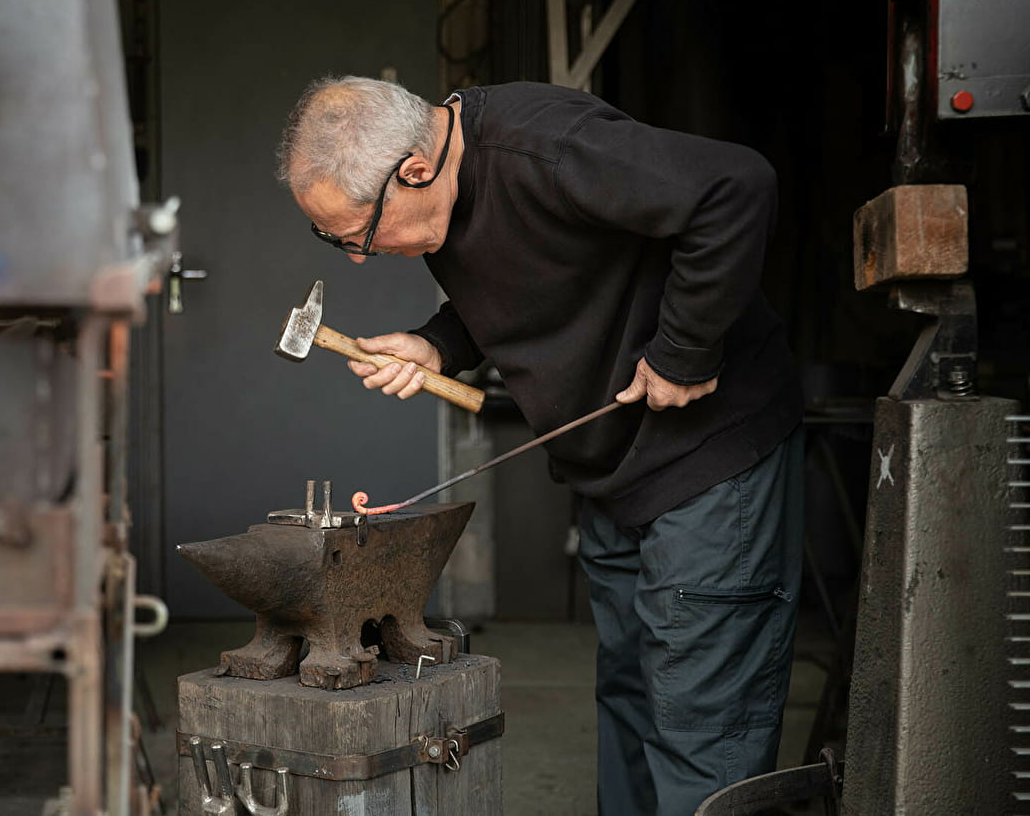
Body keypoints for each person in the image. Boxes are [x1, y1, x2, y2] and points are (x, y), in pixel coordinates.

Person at [276, 77, 804, 816]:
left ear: (415, 171)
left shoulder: (548, 149)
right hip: (613, 478)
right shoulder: (445, 194)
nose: (360, 258)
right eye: (333, 241)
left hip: (707, 462)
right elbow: (534, 272)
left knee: (699, 724)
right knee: (632, 699)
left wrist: (685, 351)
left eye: (360, 236)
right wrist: (437, 345)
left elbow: (735, 186)